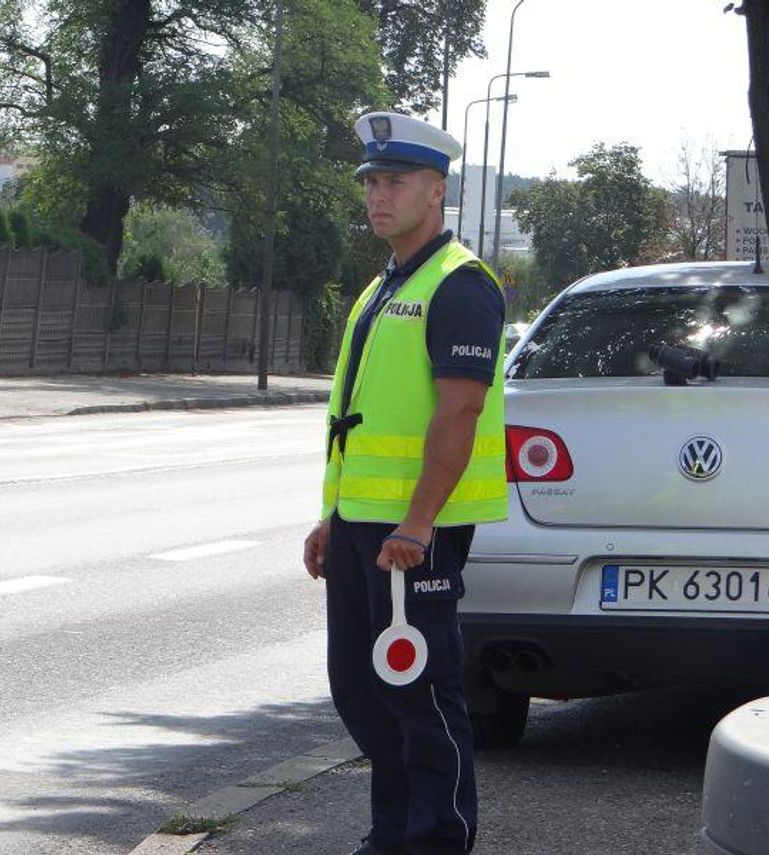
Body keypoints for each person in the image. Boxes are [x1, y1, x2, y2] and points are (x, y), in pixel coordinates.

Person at [302, 111, 507, 855]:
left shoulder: (461, 286)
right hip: (363, 526)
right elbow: (359, 415)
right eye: (372, 182)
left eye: (396, 181)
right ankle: (392, 834)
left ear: (437, 190)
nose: (378, 195)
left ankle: (436, 840)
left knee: (420, 695)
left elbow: (460, 410)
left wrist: (418, 523)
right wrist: (332, 514)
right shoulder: (383, 287)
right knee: (363, 694)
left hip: (413, 537)